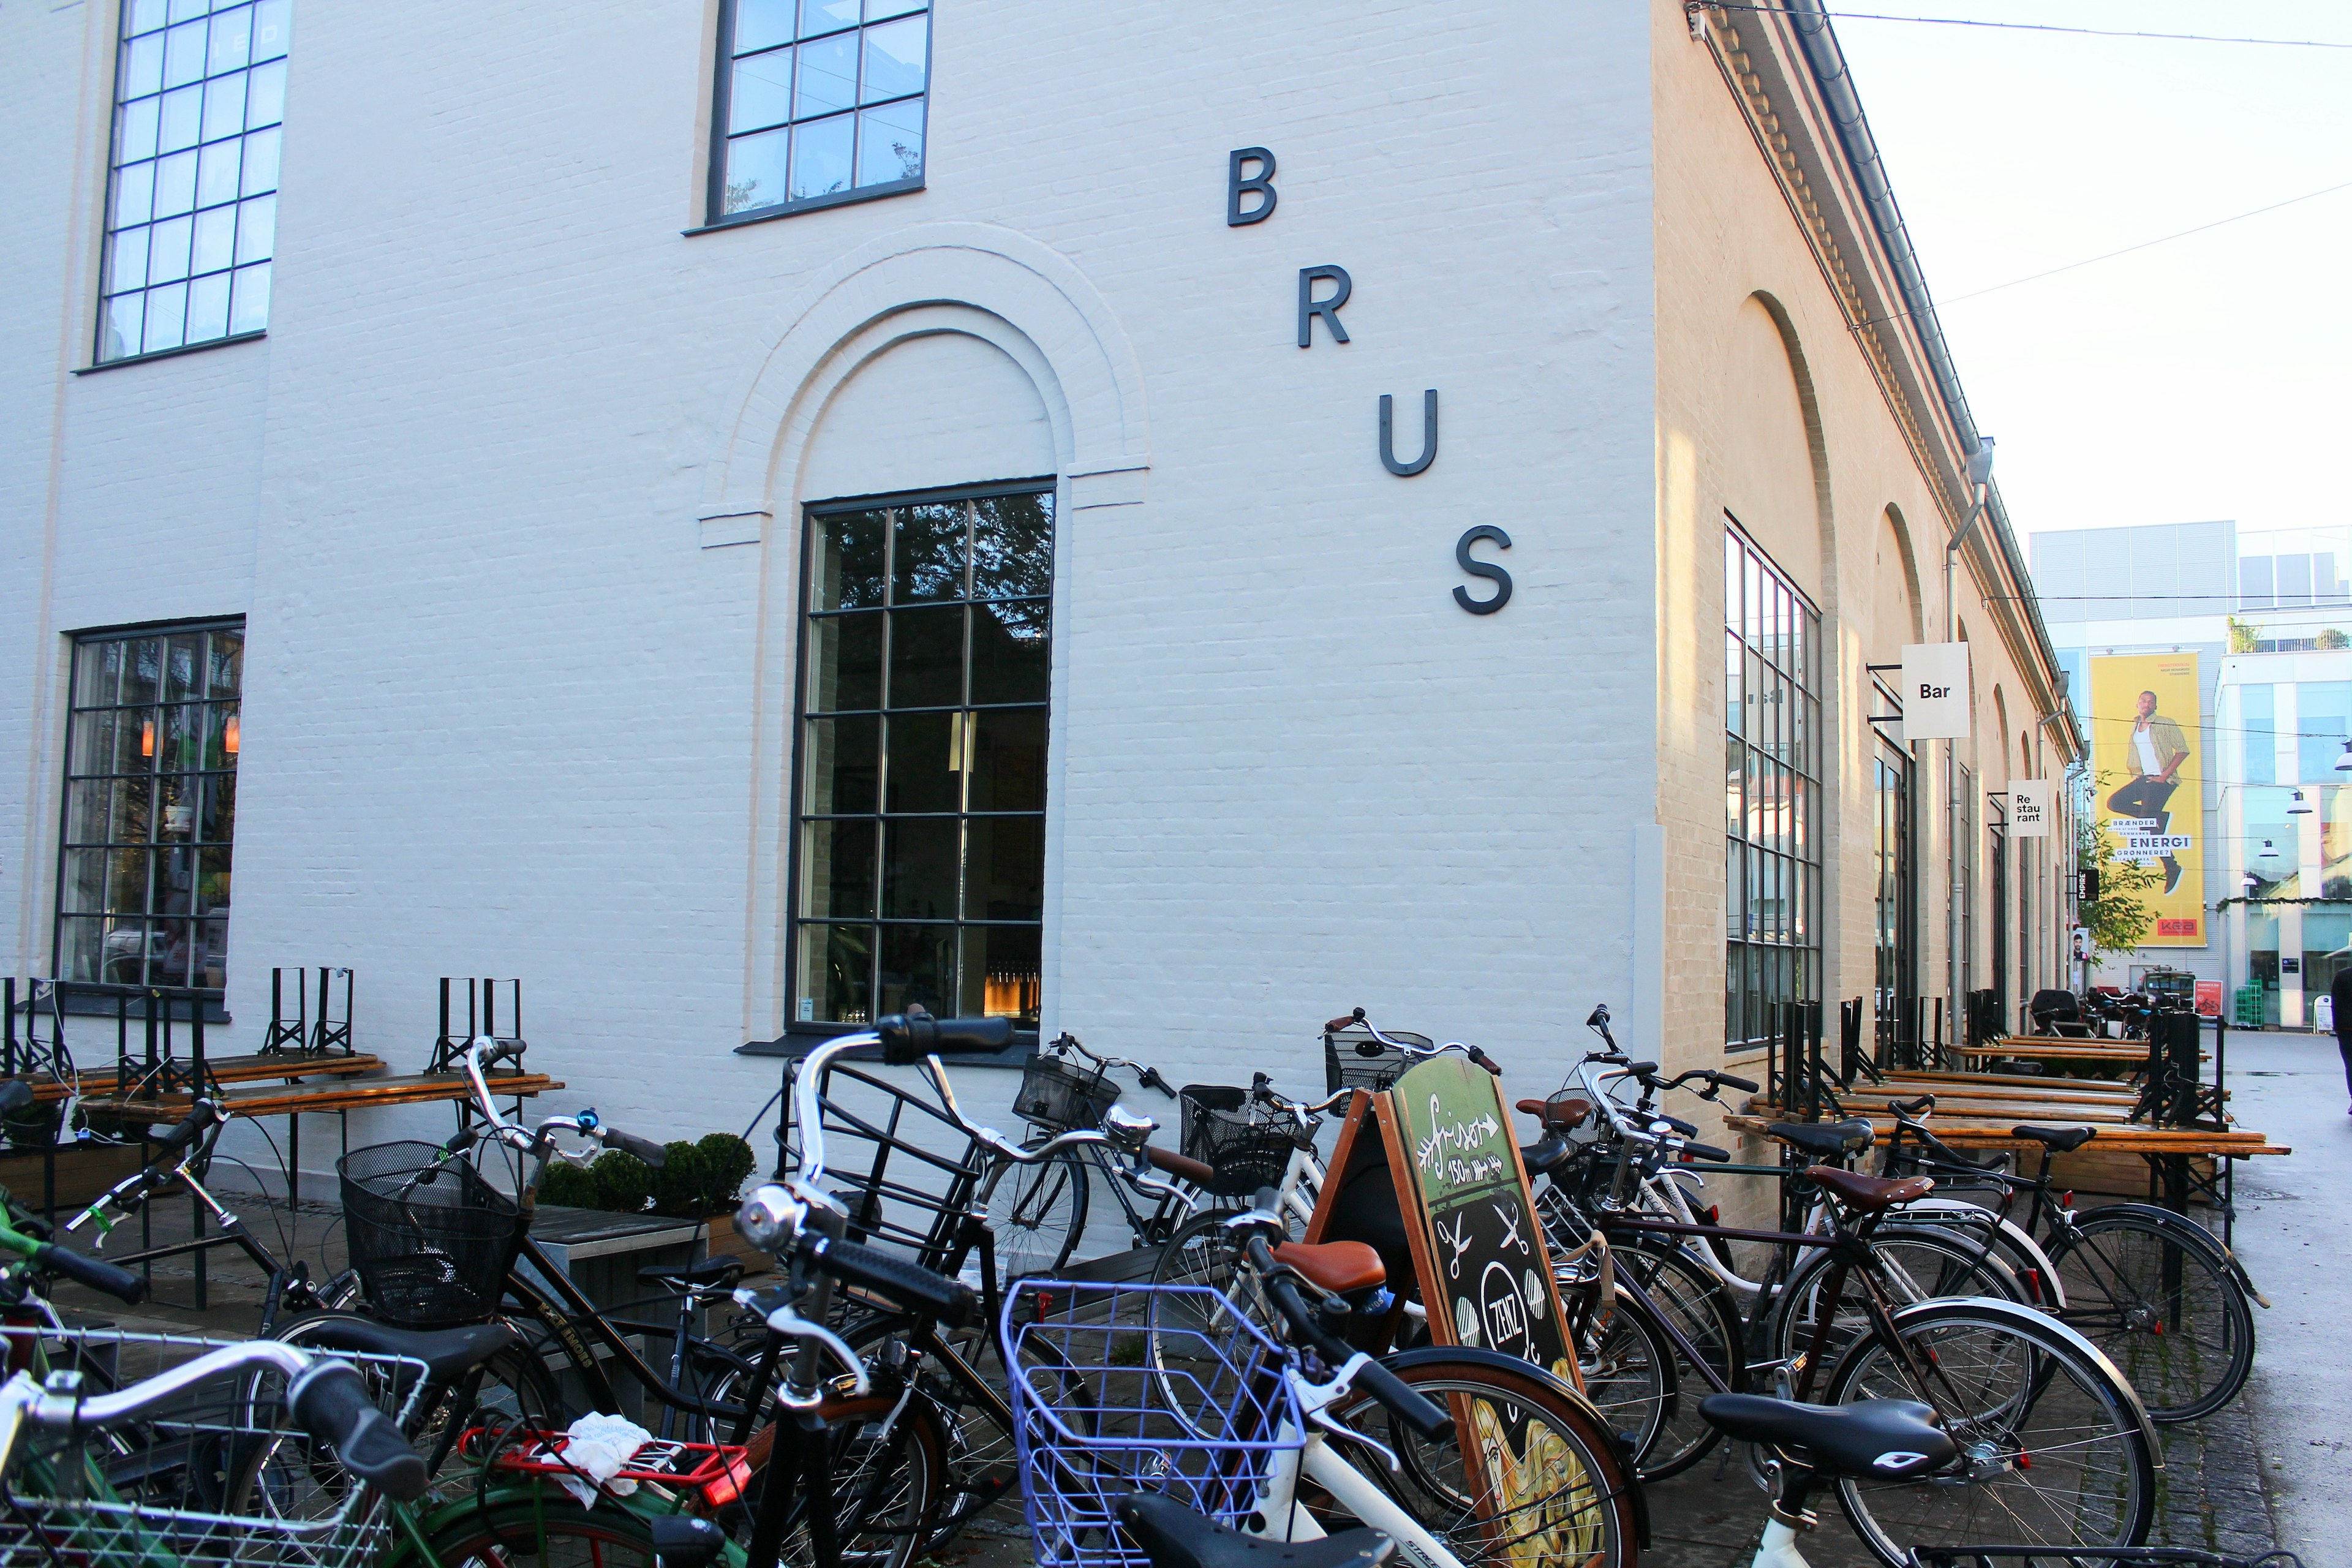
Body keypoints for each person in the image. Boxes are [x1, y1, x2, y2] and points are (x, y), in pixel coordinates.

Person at [2105, 689, 2191, 895]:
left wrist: (2164, 775)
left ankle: (2172, 866)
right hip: (2143, 779)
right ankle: (2157, 817)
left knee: (2147, 825)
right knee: (2114, 803)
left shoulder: (2165, 723)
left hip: (2163, 781)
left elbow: (2182, 750)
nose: (2147, 704)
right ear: (2138, 704)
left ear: (2155, 706)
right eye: (2143, 701)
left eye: (2151, 702)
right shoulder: (2135, 727)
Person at [2332, 959, 2352, 1114]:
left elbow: (2336, 1003)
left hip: (2347, 1028)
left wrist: (2337, 1026)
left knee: (2351, 1065)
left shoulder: (2342, 976)